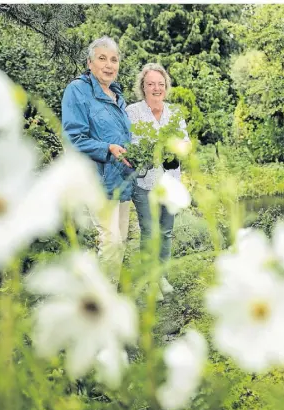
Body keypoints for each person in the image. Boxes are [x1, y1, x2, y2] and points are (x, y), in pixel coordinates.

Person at [61, 36, 133, 281]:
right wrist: (108, 148)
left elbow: (123, 135)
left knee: (119, 242)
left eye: (114, 59)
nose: (109, 64)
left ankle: (107, 296)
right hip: (97, 182)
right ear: (90, 63)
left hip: (121, 181)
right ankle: (103, 305)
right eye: (102, 58)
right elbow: (73, 137)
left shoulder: (116, 94)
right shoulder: (78, 90)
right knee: (110, 243)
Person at [126, 63, 191, 300]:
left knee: (165, 232)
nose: (156, 88)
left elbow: (185, 142)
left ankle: (161, 275)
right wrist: (145, 151)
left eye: (160, 84)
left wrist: (178, 150)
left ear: (166, 87)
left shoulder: (174, 113)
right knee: (149, 231)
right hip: (145, 183)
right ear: (143, 86)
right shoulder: (132, 112)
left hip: (169, 183)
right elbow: (128, 144)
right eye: (151, 84)